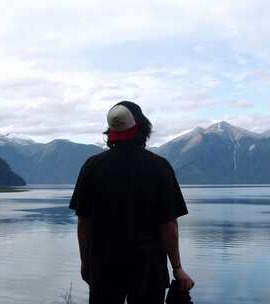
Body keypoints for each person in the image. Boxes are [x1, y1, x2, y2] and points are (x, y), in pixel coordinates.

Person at [69, 101, 194, 304]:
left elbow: (84, 222)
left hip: (104, 267)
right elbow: (168, 225)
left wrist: (85, 262)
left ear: (111, 132)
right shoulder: (159, 167)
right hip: (148, 268)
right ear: (142, 128)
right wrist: (177, 268)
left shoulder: (92, 167)